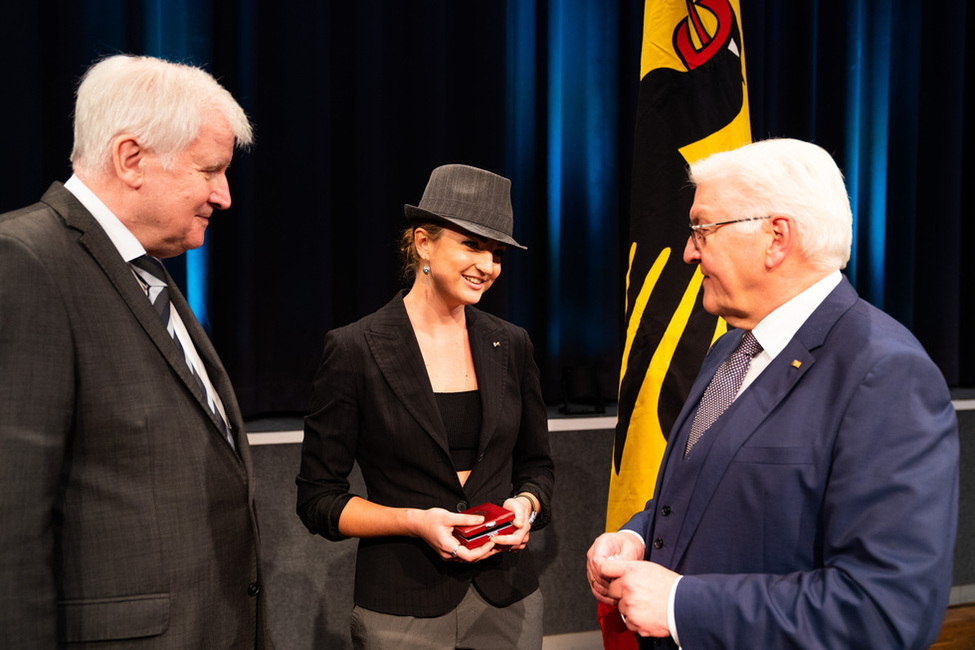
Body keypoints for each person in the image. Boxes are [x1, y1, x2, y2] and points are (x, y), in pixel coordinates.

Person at [587, 138, 959, 649]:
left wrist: (681, 605)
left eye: (702, 229)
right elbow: (704, 491)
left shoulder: (887, 374)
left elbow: (885, 611)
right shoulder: (731, 349)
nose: (689, 250)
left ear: (776, 238)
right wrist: (636, 536)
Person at [0, 55, 272, 647]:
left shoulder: (144, 270)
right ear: (131, 159)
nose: (223, 196)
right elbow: (11, 524)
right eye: (210, 171)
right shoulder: (24, 262)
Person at [297, 164, 554, 649]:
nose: (489, 266)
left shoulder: (512, 344)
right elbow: (318, 501)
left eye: (498, 253)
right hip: (401, 607)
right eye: (472, 245)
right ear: (422, 243)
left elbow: (537, 466)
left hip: (509, 599)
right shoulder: (355, 348)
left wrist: (525, 506)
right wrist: (414, 521)